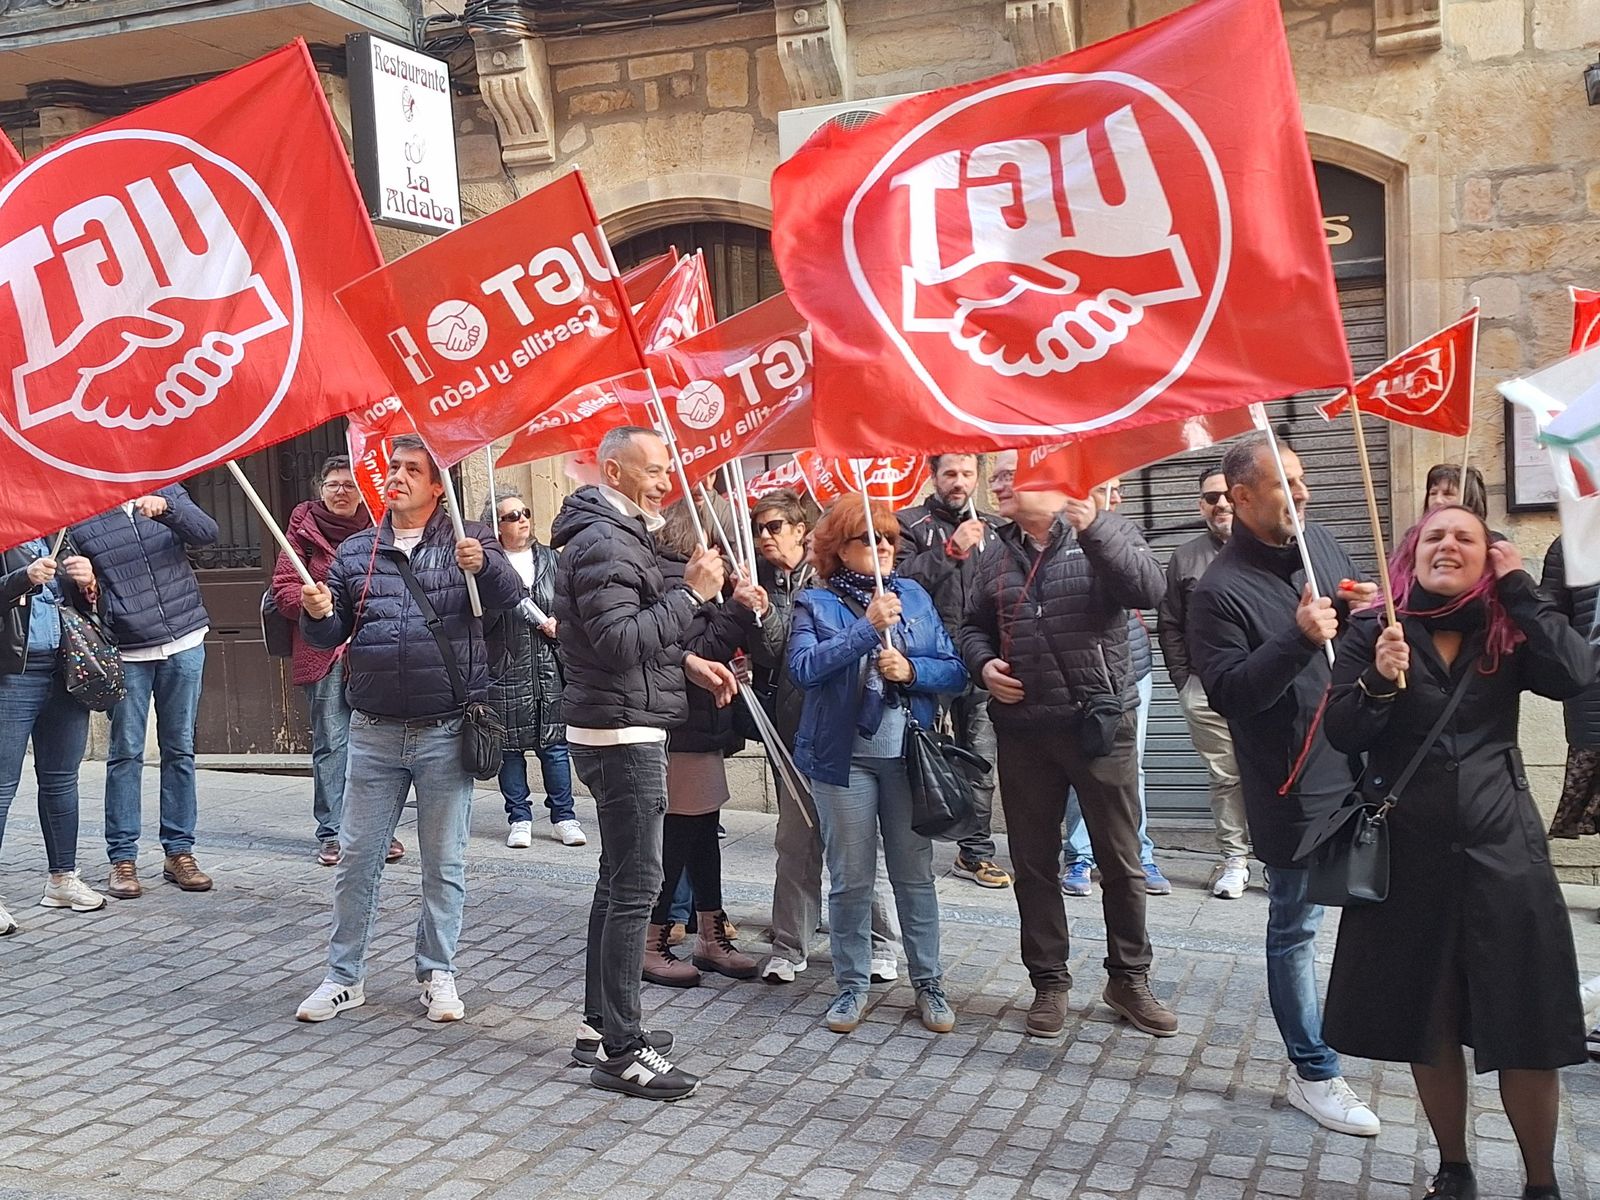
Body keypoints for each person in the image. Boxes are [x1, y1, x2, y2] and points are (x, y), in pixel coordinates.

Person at [1323, 505, 1594, 1200]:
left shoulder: (1508, 628)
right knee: (1429, 1018)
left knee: (1524, 1024)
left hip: (1505, 856)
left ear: (1488, 556)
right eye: (1434, 536)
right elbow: (1343, 733)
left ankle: (1541, 1184)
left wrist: (1521, 591)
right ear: (1412, 553)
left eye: (1466, 537)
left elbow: (1574, 673)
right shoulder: (1374, 629)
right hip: (1410, 859)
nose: (1448, 544)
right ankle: (1454, 1167)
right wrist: (1377, 681)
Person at [1187, 430, 1381, 1137]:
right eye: (1284, 484)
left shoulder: (1320, 541)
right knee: (1295, 927)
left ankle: (1388, 1025)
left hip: (1361, 764)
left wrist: (1358, 607)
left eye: (1301, 480)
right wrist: (1298, 637)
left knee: (1378, 905)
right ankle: (1315, 1072)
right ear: (1240, 498)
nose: (1303, 493)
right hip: (1291, 783)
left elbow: (1350, 625)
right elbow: (1232, 694)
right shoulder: (1216, 592)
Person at [294, 435, 522, 1027]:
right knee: (356, 858)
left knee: (444, 862)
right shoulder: (357, 551)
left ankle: (438, 971)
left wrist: (487, 563)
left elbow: (509, 598)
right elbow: (331, 633)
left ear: (437, 484)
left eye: (411, 470)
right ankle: (343, 977)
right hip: (371, 732)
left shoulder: (470, 543)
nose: (396, 477)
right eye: (393, 467)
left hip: (446, 731)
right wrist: (317, 615)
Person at [960, 451, 1177, 1042]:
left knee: (1121, 861)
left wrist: (1095, 525)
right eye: (995, 476)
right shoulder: (992, 550)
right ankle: (1049, 981)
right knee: (1033, 864)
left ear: (1052, 481)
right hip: (1024, 728)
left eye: (1012, 474)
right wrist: (983, 666)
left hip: (1098, 726)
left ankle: (1129, 979)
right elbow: (971, 625)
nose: (997, 483)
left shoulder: (1101, 528)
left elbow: (1148, 588)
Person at [551, 426, 732, 1101]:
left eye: (666, 469)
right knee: (635, 891)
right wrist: (691, 595)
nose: (664, 481)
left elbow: (621, 634)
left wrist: (687, 657)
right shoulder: (604, 540)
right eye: (652, 469)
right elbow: (622, 642)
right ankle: (622, 1051)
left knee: (616, 882)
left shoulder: (620, 535)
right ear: (612, 470)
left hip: (622, 725)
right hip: (621, 737)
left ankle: (602, 1029)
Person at [789, 496, 967, 1035]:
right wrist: (866, 630)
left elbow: (955, 671)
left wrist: (912, 670)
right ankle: (852, 985)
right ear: (840, 551)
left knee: (915, 876)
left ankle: (929, 983)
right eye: (870, 538)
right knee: (850, 879)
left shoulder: (912, 595)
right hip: (843, 761)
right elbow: (803, 669)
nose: (885, 547)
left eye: (889, 538)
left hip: (907, 756)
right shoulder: (815, 603)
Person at [749, 489, 903, 985]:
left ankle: (879, 941)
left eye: (775, 526)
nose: (765, 537)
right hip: (797, 730)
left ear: (804, 531)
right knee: (796, 841)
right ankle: (790, 941)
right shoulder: (759, 581)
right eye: (759, 529)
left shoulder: (839, 587)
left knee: (859, 846)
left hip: (856, 730)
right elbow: (785, 658)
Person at [641, 496, 766, 988]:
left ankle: (710, 933)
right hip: (682, 727)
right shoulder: (677, 578)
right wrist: (735, 609)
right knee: (677, 836)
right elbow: (697, 650)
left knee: (701, 833)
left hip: (701, 726)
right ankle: (654, 941)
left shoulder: (695, 577)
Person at [70, 485, 219, 898]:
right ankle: (122, 859)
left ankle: (180, 852)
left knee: (180, 750)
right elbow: (71, 591)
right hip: (128, 649)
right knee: (125, 753)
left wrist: (170, 509)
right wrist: (85, 583)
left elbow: (207, 533)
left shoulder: (167, 488)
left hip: (185, 640)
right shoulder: (84, 508)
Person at [896, 453, 1011, 889]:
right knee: (918, 755)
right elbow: (897, 581)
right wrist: (950, 552)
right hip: (928, 663)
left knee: (980, 760)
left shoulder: (998, 529)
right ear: (933, 477)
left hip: (983, 662)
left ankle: (975, 852)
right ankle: (910, 846)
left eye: (966, 473)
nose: (958, 482)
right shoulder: (909, 525)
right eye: (950, 474)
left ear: (977, 477)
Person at [1061, 477, 1170, 897]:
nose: (1118, 497)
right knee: (1082, 764)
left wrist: (1101, 535)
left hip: (1129, 670)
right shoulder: (1057, 538)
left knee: (1131, 766)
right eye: (1107, 487)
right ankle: (1080, 855)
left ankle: (1138, 852)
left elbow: (1147, 589)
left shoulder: (1123, 533)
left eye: (1120, 488)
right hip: (1079, 673)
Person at [270, 455, 380, 867]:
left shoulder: (377, 529)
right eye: (333, 484)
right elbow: (282, 589)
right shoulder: (302, 531)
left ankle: (374, 831)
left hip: (371, 651)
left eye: (349, 485)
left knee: (376, 746)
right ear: (321, 489)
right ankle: (333, 832)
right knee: (332, 744)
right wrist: (310, 601)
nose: (340, 492)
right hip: (323, 654)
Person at [0, 539, 106, 933]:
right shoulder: (7, 529)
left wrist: (90, 583)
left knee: (62, 781)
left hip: (66, 672)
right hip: (12, 673)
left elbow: (92, 607)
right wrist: (22, 579)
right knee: (1, 787)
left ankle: (62, 878)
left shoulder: (62, 534)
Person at [1156, 465, 1251, 898]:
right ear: (1201, 505)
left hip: (1267, 684)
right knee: (1226, 774)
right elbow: (1169, 623)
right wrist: (1183, 681)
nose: (1222, 504)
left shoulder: (1273, 547)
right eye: (1212, 497)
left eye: (1228, 495)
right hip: (1206, 687)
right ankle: (1235, 858)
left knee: (1274, 769)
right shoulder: (1186, 556)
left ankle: (1280, 859)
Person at [484, 491, 582, 850]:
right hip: (506, 667)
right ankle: (519, 817)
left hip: (549, 665)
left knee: (555, 745)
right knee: (510, 748)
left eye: (525, 512)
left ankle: (564, 816)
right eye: (511, 516)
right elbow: (478, 620)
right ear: (497, 527)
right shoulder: (490, 567)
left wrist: (562, 624)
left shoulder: (551, 560)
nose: (522, 519)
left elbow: (573, 603)